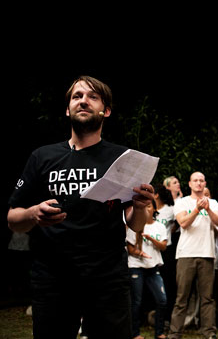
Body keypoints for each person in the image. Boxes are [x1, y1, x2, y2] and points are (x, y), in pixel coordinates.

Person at [7, 75, 155, 339]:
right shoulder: (42, 156)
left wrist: (141, 206)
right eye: (77, 96)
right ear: (67, 109)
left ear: (105, 110)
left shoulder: (122, 158)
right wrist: (33, 213)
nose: (83, 101)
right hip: (53, 279)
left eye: (92, 96)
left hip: (107, 279)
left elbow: (136, 223)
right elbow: (12, 219)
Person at [169, 172, 218, 339]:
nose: (198, 183)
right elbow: (183, 223)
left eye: (201, 180)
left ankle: (209, 332)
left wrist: (207, 209)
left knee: (207, 297)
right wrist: (197, 209)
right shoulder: (181, 202)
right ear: (190, 184)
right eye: (195, 181)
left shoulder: (213, 203)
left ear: (205, 183)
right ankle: (175, 333)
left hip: (207, 253)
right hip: (186, 254)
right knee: (182, 297)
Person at [126, 200, 168, 339]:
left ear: (154, 209)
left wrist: (150, 238)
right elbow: (130, 248)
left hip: (153, 267)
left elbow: (163, 246)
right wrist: (140, 253)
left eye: (149, 206)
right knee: (136, 302)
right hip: (136, 267)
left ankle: (159, 332)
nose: (146, 209)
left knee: (161, 300)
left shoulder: (160, 227)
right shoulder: (136, 226)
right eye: (144, 206)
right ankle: (135, 333)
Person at [154, 184, 179, 325]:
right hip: (150, 250)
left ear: (156, 194)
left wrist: (170, 232)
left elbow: (178, 223)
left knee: (168, 284)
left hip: (166, 250)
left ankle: (168, 317)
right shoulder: (148, 209)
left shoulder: (170, 210)